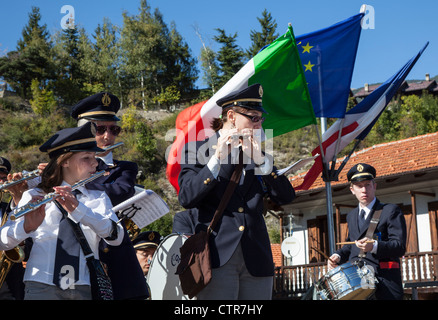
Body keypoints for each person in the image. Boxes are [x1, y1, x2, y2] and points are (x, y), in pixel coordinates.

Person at [177, 84, 296, 300]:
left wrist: (262, 162)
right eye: (253, 117)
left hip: (256, 257)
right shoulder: (196, 150)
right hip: (217, 255)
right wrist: (216, 160)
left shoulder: (257, 154)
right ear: (231, 116)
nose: (258, 124)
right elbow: (186, 197)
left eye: (261, 118)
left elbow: (286, 196)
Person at [0, 123, 124, 300]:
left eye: (94, 157)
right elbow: (3, 241)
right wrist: (25, 227)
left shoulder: (97, 198)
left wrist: (80, 210)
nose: (95, 163)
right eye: (87, 158)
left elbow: (116, 237)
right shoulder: (35, 195)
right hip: (41, 285)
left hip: (84, 286)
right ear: (65, 161)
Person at [70, 92, 149, 300]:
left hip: (116, 260)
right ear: (83, 131)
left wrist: (72, 177)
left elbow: (120, 193)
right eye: (101, 129)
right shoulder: (65, 167)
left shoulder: (125, 168)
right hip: (74, 260)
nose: (108, 136)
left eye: (114, 129)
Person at [327, 163, 407, 300]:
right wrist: (338, 256)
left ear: (374, 186)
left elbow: (399, 247)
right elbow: (350, 245)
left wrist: (374, 246)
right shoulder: (351, 216)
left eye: (367, 185)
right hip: (358, 285)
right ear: (352, 189)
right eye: (359, 186)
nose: (364, 190)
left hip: (384, 284)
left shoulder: (390, 211)